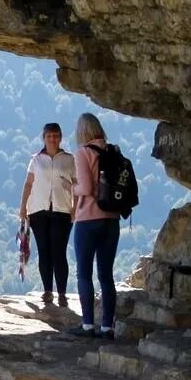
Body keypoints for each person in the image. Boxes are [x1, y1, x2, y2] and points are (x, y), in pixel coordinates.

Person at [69, 113, 120, 339]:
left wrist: (71, 187)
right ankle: (108, 327)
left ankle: (88, 324)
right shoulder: (113, 151)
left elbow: (87, 188)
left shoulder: (83, 153)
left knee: (84, 274)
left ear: (82, 132)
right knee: (106, 275)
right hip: (112, 218)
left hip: (88, 218)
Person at [17, 121, 74, 306]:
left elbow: (77, 184)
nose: (52, 139)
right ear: (44, 138)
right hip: (38, 211)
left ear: (60, 137)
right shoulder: (36, 159)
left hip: (62, 210)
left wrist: (75, 208)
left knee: (59, 253)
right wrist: (22, 207)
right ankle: (48, 291)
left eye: (56, 135)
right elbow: (28, 183)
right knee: (44, 252)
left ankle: (63, 293)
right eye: (49, 136)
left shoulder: (68, 159)